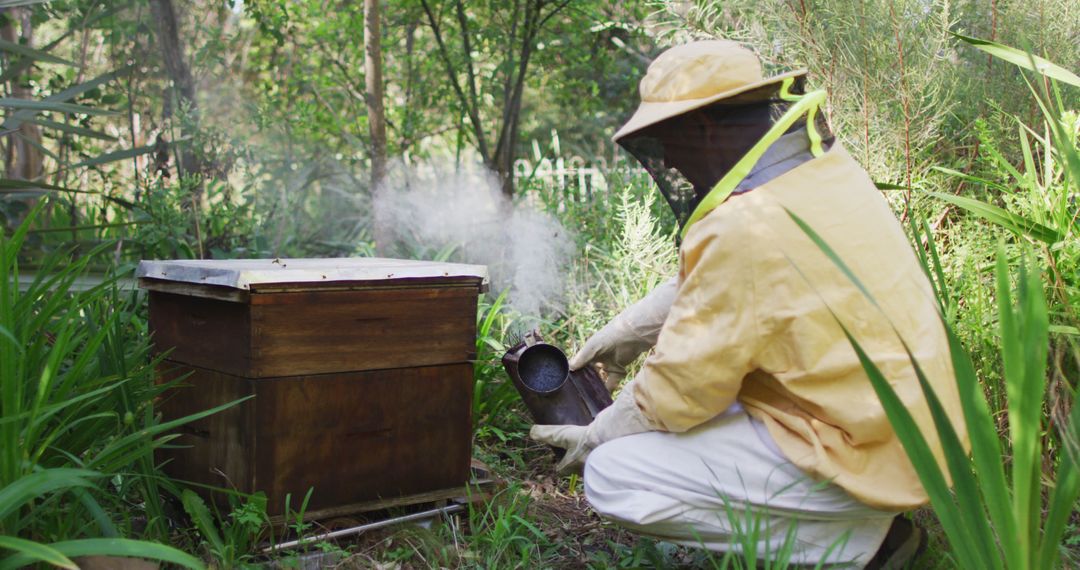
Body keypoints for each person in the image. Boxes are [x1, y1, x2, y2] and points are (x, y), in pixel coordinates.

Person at [529, 40, 968, 567]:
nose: (665, 158)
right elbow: (739, 281)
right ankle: (859, 519)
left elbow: (677, 393)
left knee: (615, 474)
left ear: (704, 129)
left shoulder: (742, 229)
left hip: (863, 447)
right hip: (918, 429)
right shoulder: (823, 175)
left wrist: (597, 436)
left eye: (667, 139)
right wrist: (627, 330)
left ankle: (862, 546)